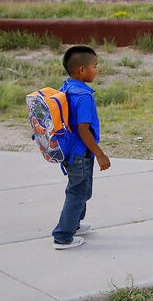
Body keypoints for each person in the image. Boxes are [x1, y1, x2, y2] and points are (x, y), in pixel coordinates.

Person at [52, 45, 111, 249]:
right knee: (78, 192)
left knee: (82, 189)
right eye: (95, 66)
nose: (97, 70)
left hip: (69, 150)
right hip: (80, 153)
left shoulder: (67, 87)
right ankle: (63, 236)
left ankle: (74, 224)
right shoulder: (84, 97)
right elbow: (83, 130)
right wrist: (101, 155)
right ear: (81, 70)